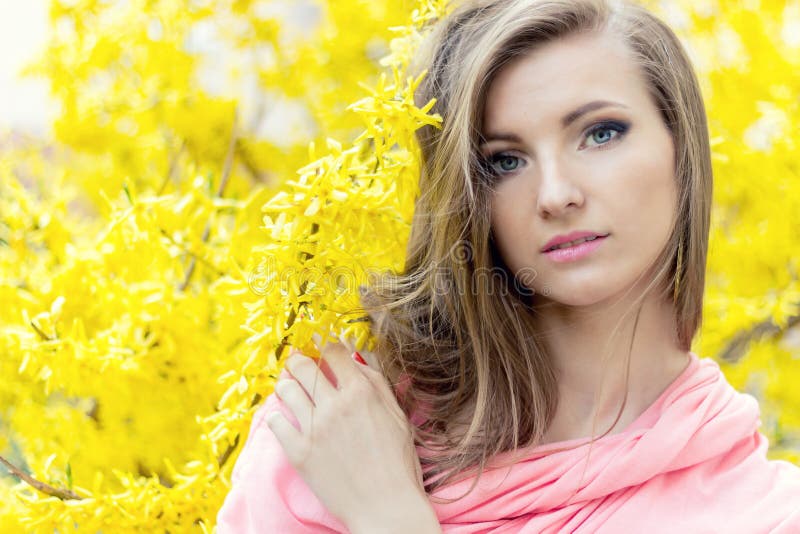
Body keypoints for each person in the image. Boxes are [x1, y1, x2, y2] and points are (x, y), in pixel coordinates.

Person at [216, 0, 800, 531]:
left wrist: (391, 519)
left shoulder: (762, 514)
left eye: (600, 133)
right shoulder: (336, 428)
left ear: (682, 147)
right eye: (504, 161)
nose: (556, 193)